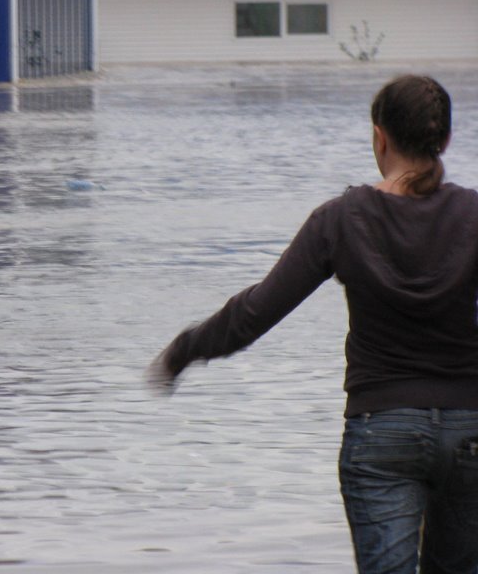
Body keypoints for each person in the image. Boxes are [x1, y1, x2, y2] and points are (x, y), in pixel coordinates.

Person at [147, 74, 478, 574]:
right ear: (445, 140)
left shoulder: (341, 218)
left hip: (380, 431)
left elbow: (256, 312)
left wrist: (185, 349)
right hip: (468, 431)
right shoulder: (474, 214)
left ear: (379, 137)